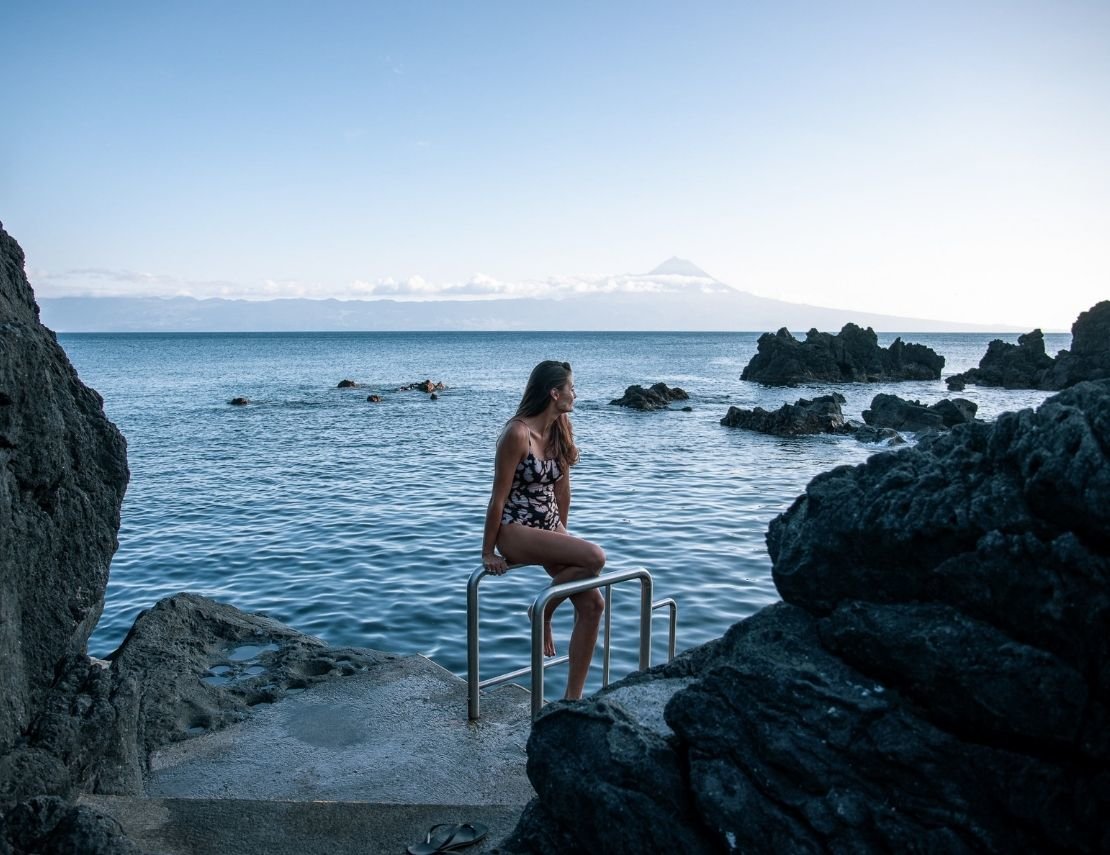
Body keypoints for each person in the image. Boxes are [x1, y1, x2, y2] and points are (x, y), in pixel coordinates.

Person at [481, 360, 606, 700]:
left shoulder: (561, 428)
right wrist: (488, 551)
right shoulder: (517, 433)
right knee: (595, 556)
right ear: (554, 393)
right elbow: (498, 497)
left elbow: (563, 492)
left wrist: (560, 535)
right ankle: (544, 608)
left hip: (549, 526)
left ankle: (572, 701)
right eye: (571, 388)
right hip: (515, 530)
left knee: (594, 605)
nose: (575, 394)